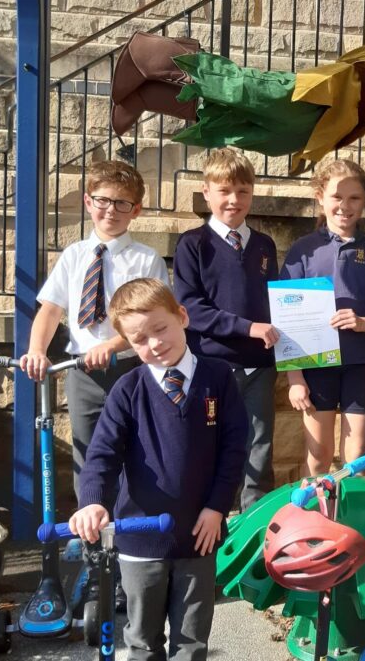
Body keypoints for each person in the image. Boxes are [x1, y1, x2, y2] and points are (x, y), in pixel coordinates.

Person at [69, 278, 248, 661]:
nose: (154, 344)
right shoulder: (127, 390)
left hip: (199, 534)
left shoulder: (218, 379)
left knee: (192, 641)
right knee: (142, 640)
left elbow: (234, 450)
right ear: (128, 344)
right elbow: (101, 453)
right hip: (140, 539)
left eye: (160, 329)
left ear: (182, 317)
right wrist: (93, 501)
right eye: (139, 339)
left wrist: (218, 507)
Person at [20, 160, 169, 498]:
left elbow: (152, 319)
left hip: (131, 369)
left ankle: (127, 535)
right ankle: (90, 535)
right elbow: (50, 309)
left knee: (136, 449)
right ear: (88, 202)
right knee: (86, 453)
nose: (111, 211)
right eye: (102, 200)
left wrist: (112, 346)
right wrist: (37, 350)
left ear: (136, 210)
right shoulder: (74, 256)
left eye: (122, 204)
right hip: (81, 373)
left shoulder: (146, 260)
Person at [173, 148, 279, 510]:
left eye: (243, 191)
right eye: (224, 191)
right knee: (213, 442)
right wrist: (248, 328)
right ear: (207, 193)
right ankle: (214, 518)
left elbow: (274, 303)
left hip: (260, 367)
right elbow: (191, 309)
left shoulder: (265, 245)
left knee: (260, 446)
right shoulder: (192, 244)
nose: (234, 200)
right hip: (213, 365)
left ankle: (256, 521)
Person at [281, 159, 365, 475]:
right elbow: (286, 320)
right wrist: (295, 379)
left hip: (360, 365)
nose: (345, 206)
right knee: (318, 457)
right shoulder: (303, 250)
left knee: (356, 460)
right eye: (336, 197)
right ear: (321, 197)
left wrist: (363, 323)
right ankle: (314, 522)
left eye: (354, 198)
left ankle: (349, 523)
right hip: (316, 367)